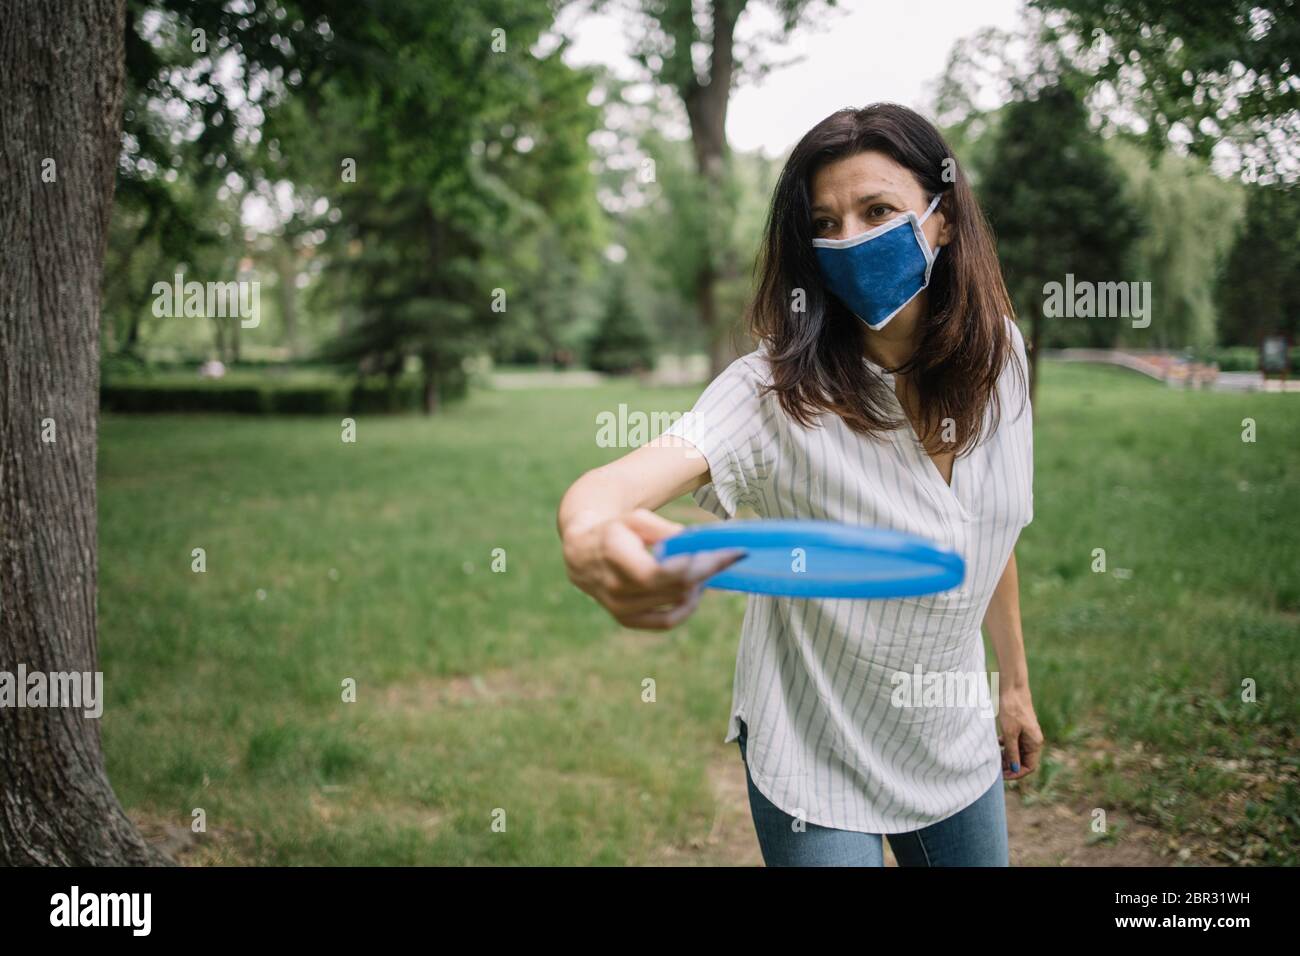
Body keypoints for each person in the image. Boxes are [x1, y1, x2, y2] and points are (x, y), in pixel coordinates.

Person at [557, 103, 1042, 866]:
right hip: (814, 752)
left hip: (952, 736)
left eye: (878, 210)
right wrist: (588, 536)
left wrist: (1013, 686)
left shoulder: (1002, 359)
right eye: (826, 223)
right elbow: (615, 485)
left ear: (943, 220)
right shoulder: (770, 392)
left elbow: (989, 531)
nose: (848, 240)